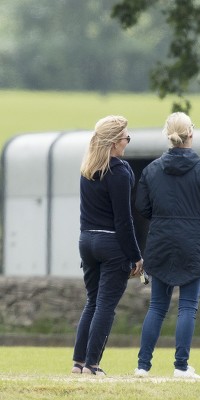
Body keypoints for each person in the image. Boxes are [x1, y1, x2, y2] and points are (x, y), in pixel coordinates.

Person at [134, 112, 200, 378]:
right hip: (193, 241)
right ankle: (181, 366)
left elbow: (142, 206)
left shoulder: (151, 169)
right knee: (187, 307)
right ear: (191, 134)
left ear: (167, 135)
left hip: (160, 241)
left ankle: (142, 365)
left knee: (157, 307)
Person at [71, 115, 143, 376]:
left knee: (91, 302)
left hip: (86, 240)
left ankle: (78, 363)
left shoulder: (87, 168)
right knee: (105, 306)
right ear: (114, 142)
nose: (127, 141)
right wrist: (136, 256)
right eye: (126, 137)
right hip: (110, 243)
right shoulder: (120, 172)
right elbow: (124, 220)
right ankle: (92, 364)